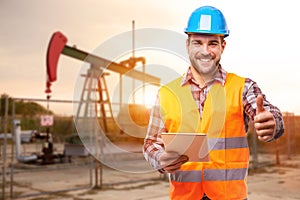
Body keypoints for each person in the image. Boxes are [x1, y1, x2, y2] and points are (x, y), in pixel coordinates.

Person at [143, 5, 284, 200]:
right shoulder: (166, 93)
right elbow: (151, 143)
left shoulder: (243, 87)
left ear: (222, 47)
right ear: (187, 45)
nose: (205, 51)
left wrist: (273, 123)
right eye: (197, 43)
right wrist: (159, 158)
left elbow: (268, 114)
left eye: (212, 43)